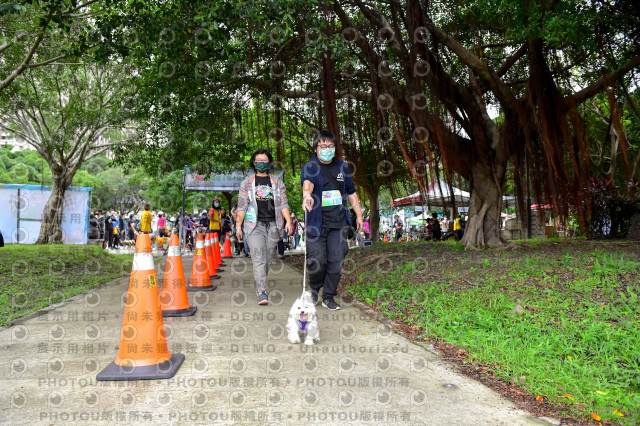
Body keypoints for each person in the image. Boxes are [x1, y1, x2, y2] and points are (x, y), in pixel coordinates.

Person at [302, 129, 363, 311]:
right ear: (315, 148)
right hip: (317, 224)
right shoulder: (310, 166)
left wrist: (359, 215)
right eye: (323, 146)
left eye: (330, 146)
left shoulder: (342, 167)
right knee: (317, 260)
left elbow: (351, 193)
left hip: (339, 224)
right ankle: (314, 289)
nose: (327, 149)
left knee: (336, 262)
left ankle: (328, 296)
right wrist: (307, 196)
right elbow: (308, 184)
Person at [236, 149, 292, 305]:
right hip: (254, 226)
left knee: (268, 258)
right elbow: (242, 206)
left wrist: (288, 221)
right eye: (258, 160)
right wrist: (238, 226)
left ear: (269, 162)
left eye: (264, 160)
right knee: (259, 258)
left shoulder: (277, 182)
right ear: (254, 163)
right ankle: (262, 292)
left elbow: (283, 203)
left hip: (274, 225)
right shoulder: (246, 183)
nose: (261, 163)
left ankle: (260, 283)